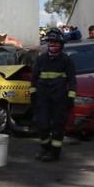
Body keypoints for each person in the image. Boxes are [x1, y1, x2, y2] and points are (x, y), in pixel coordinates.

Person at [30, 28, 76, 162]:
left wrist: (71, 97)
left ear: (61, 44)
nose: (53, 45)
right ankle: (45, 148)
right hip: (43, 98)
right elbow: (34, 78)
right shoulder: (41, 59)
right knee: (42, 124)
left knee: (58, 126)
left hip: (59, 99)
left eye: (56, 43)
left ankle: (55, 152)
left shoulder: (66, 60)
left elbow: (72, 80)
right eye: (50, 43)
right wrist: (33, 95)